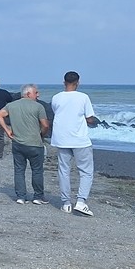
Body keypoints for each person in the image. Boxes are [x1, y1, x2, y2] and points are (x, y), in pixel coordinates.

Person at [51, 71, 98, 216]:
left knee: (64, 170)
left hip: (61, 138)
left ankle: (66, 203)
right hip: (79, 139)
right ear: (78, 82)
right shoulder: (83, 97)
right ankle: (81, 201)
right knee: (86, 171)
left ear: (64, 82)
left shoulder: (56, 97)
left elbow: (57, 112)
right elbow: (90, 117)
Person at [0, 83, 50, 205]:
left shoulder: (11, 105)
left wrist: (7, 130)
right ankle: (38, 196)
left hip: (18, 143)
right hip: (34, 143)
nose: (38, 95)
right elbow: (45, 125)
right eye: (36, 93)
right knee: (37, 170)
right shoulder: (38, 107)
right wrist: (42, 134)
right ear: (28, 93)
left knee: (19, 170)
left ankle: (21, 196)